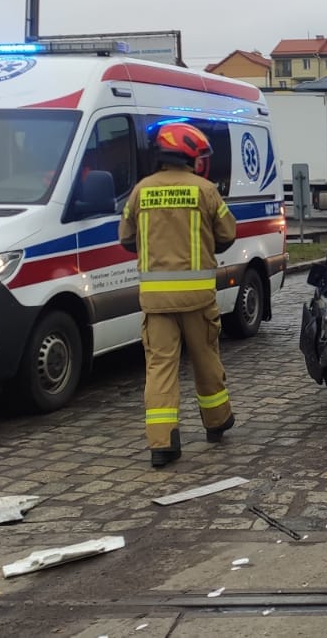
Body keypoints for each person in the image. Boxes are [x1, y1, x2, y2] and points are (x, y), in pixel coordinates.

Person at [119, 122, 238, 468]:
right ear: (189, 155)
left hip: (155, 301)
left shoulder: (140, 192)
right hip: (198, 299)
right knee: (206, 359)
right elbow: (227, 233)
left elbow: (126, 238)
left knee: (159, 367)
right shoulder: (205, 190)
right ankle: (216, 422)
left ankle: (162, 443)